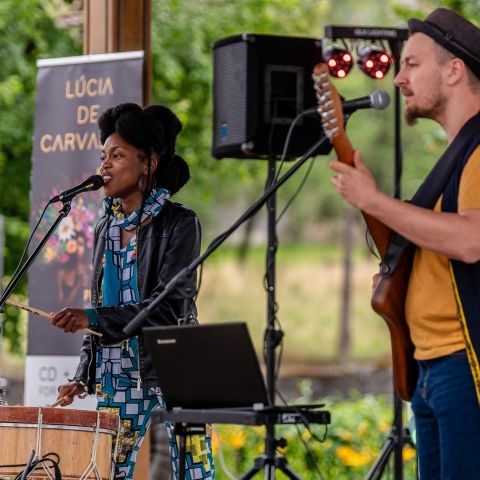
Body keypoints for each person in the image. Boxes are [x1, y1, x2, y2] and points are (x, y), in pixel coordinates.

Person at [329, 8, 480, 480]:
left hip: (465, 367)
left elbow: (471, 240)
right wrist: (375, 206)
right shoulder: (454, 157)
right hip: (431, 367)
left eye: (412, 64)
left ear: (453, 69)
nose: (397, 79)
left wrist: (375, 200)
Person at [52, 103, 215, 480]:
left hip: (175, 368)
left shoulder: (180, 224)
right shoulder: (104, 228)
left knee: (194, 472)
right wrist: (83, 373)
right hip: (116, 372)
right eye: (102, 156)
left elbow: (167, 307)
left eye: (117, 155)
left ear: (148, 163)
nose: (104, 166)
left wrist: (91, 318)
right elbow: (100, 305)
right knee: (105, 471)